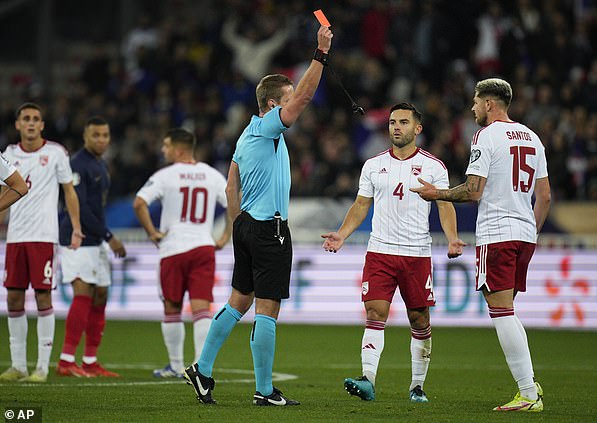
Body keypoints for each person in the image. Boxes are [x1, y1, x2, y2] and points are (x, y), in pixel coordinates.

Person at [183, 25, 333, 406]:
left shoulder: (244, 137)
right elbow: (305, 96)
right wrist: (320, 53)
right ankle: (265, 391)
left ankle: (202, 369)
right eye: (285, 100)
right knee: (267, 308)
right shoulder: (268, 128)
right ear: (270, 105)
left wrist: (237, 226)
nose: (293, 104)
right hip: (269, 228)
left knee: (238, 302)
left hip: (247, 225)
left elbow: (230, 186)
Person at [411, 78, 550, 413]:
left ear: (489, 103)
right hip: (524, 233)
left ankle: (528, 393)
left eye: (475, 102)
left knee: (500, 312)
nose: (472, 108)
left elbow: (474, 191)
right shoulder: (532, 137)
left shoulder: (486, 136)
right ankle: (530, 382)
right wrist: (530, 230)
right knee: (508, 311)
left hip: (498, 234)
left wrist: (436, 194)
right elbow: (544, 196)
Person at [321, 103, 466, 403]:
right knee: (375, 313)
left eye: (403, 122)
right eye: (391, 123)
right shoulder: (372, 165)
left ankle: (417, 387)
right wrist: (342, 234)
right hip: (380, 251)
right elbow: (361, 205)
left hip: (416, 254)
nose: (396, 127)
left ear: (418, 128)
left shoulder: (433, 167)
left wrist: (452, 238)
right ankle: (368, 380)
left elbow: (444, 205)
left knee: (419, 319)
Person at [133, 128, 231, 378]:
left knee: (172, 308)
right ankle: (200, 367)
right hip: (202, 246)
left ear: (178, 150)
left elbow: (139, 202)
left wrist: (153, 233)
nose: (163, 150)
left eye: (166, 146)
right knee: (201, 309)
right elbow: (234, 203)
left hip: (173, 249)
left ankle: (175, 365)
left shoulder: (165, 175)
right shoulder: (212, 175)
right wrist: (224, 237)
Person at [0, 102, 83, 383]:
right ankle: (19, 365)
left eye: (36, 118)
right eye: (26, 118)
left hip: (44, 237)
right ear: (18, 125)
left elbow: (69, 191)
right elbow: (4, 192)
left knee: (43, 296)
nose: (32, 123)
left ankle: (42, 368)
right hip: (15, 237)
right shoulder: (9, 154)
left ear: (42, 125)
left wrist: (75, 226)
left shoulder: (56, 153)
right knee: (13, 297)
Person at [56, 116, 127, 378]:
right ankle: (65, 360)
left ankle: (89, 360)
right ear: (85, 136)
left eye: (105, 135)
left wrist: (103, 236)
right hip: (77, 237)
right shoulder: (77, 164)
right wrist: (109, 236)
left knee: (100, 295)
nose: (101, 140)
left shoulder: (100, 164)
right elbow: (80, 207)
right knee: (83, 292)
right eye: (96, 135)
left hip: (95, 238)